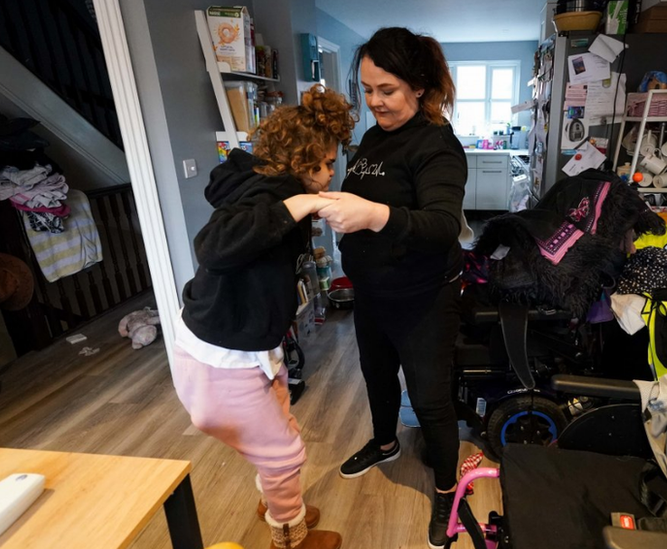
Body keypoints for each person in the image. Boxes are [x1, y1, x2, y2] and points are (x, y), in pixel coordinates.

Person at [172, 85, 354, 549]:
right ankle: (288, 534)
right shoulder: (270, 196)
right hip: (223, 356)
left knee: (280, 421)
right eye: (327, 164)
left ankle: (275, 500)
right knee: (284, 453)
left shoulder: (270, 186)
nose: (332, 173)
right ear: (299, 162)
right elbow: (215, 245)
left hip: (246, 344)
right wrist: (304, 204)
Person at [316, 27, 466, 549]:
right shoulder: (373, 140)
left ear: (420, 86)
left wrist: (374, 214)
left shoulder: (437, 146)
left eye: (387, 90)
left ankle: (447, 487)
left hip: (423, 297)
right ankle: (384, 444)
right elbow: (369, 195)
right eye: (368, 89)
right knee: (376, 375)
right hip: (373, 293)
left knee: (430, 400)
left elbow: (444, 225)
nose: (374, 101)